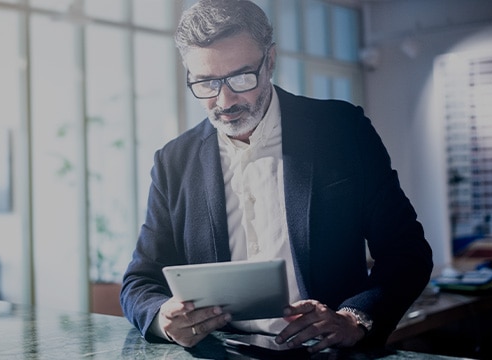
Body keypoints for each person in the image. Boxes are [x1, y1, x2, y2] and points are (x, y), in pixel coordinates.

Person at [120, 0, 433, 354]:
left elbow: (407, 252)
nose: (224, 100)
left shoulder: (343, 131)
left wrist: (353, 318)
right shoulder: (173, 161)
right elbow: (139, 281)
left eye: (240, 77)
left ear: (270, 60)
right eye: (206, 82)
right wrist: (163, 317)